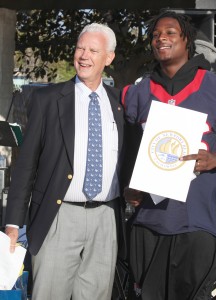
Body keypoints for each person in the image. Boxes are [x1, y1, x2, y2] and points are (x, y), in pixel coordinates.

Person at [5, 23, 126, 300]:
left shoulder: (119, 102)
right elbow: (26, 165)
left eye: (93, 50)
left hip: (106, 218)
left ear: (108, 58)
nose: (83, 56)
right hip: (58, 217)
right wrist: (13, 222)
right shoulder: (48, 99)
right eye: (80, 48)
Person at [122, 10, 216, 300]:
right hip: (147, 221)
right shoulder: (139, 93)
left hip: (197, 222)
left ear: (188, 41)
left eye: (170, 32)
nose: (160, 37)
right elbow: (126, 152)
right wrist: (129, 187)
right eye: (155, 34)